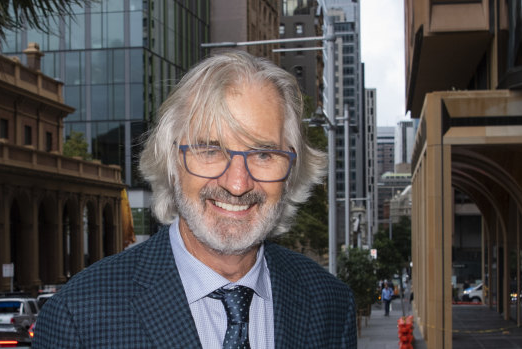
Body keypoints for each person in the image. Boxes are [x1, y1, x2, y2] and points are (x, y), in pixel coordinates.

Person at [33, 50, 357, 348]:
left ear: (291, 169)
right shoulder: (78, 317)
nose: (238, 183)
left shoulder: (330, 304)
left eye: (263, 154)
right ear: (172, 163)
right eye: (211, 150)